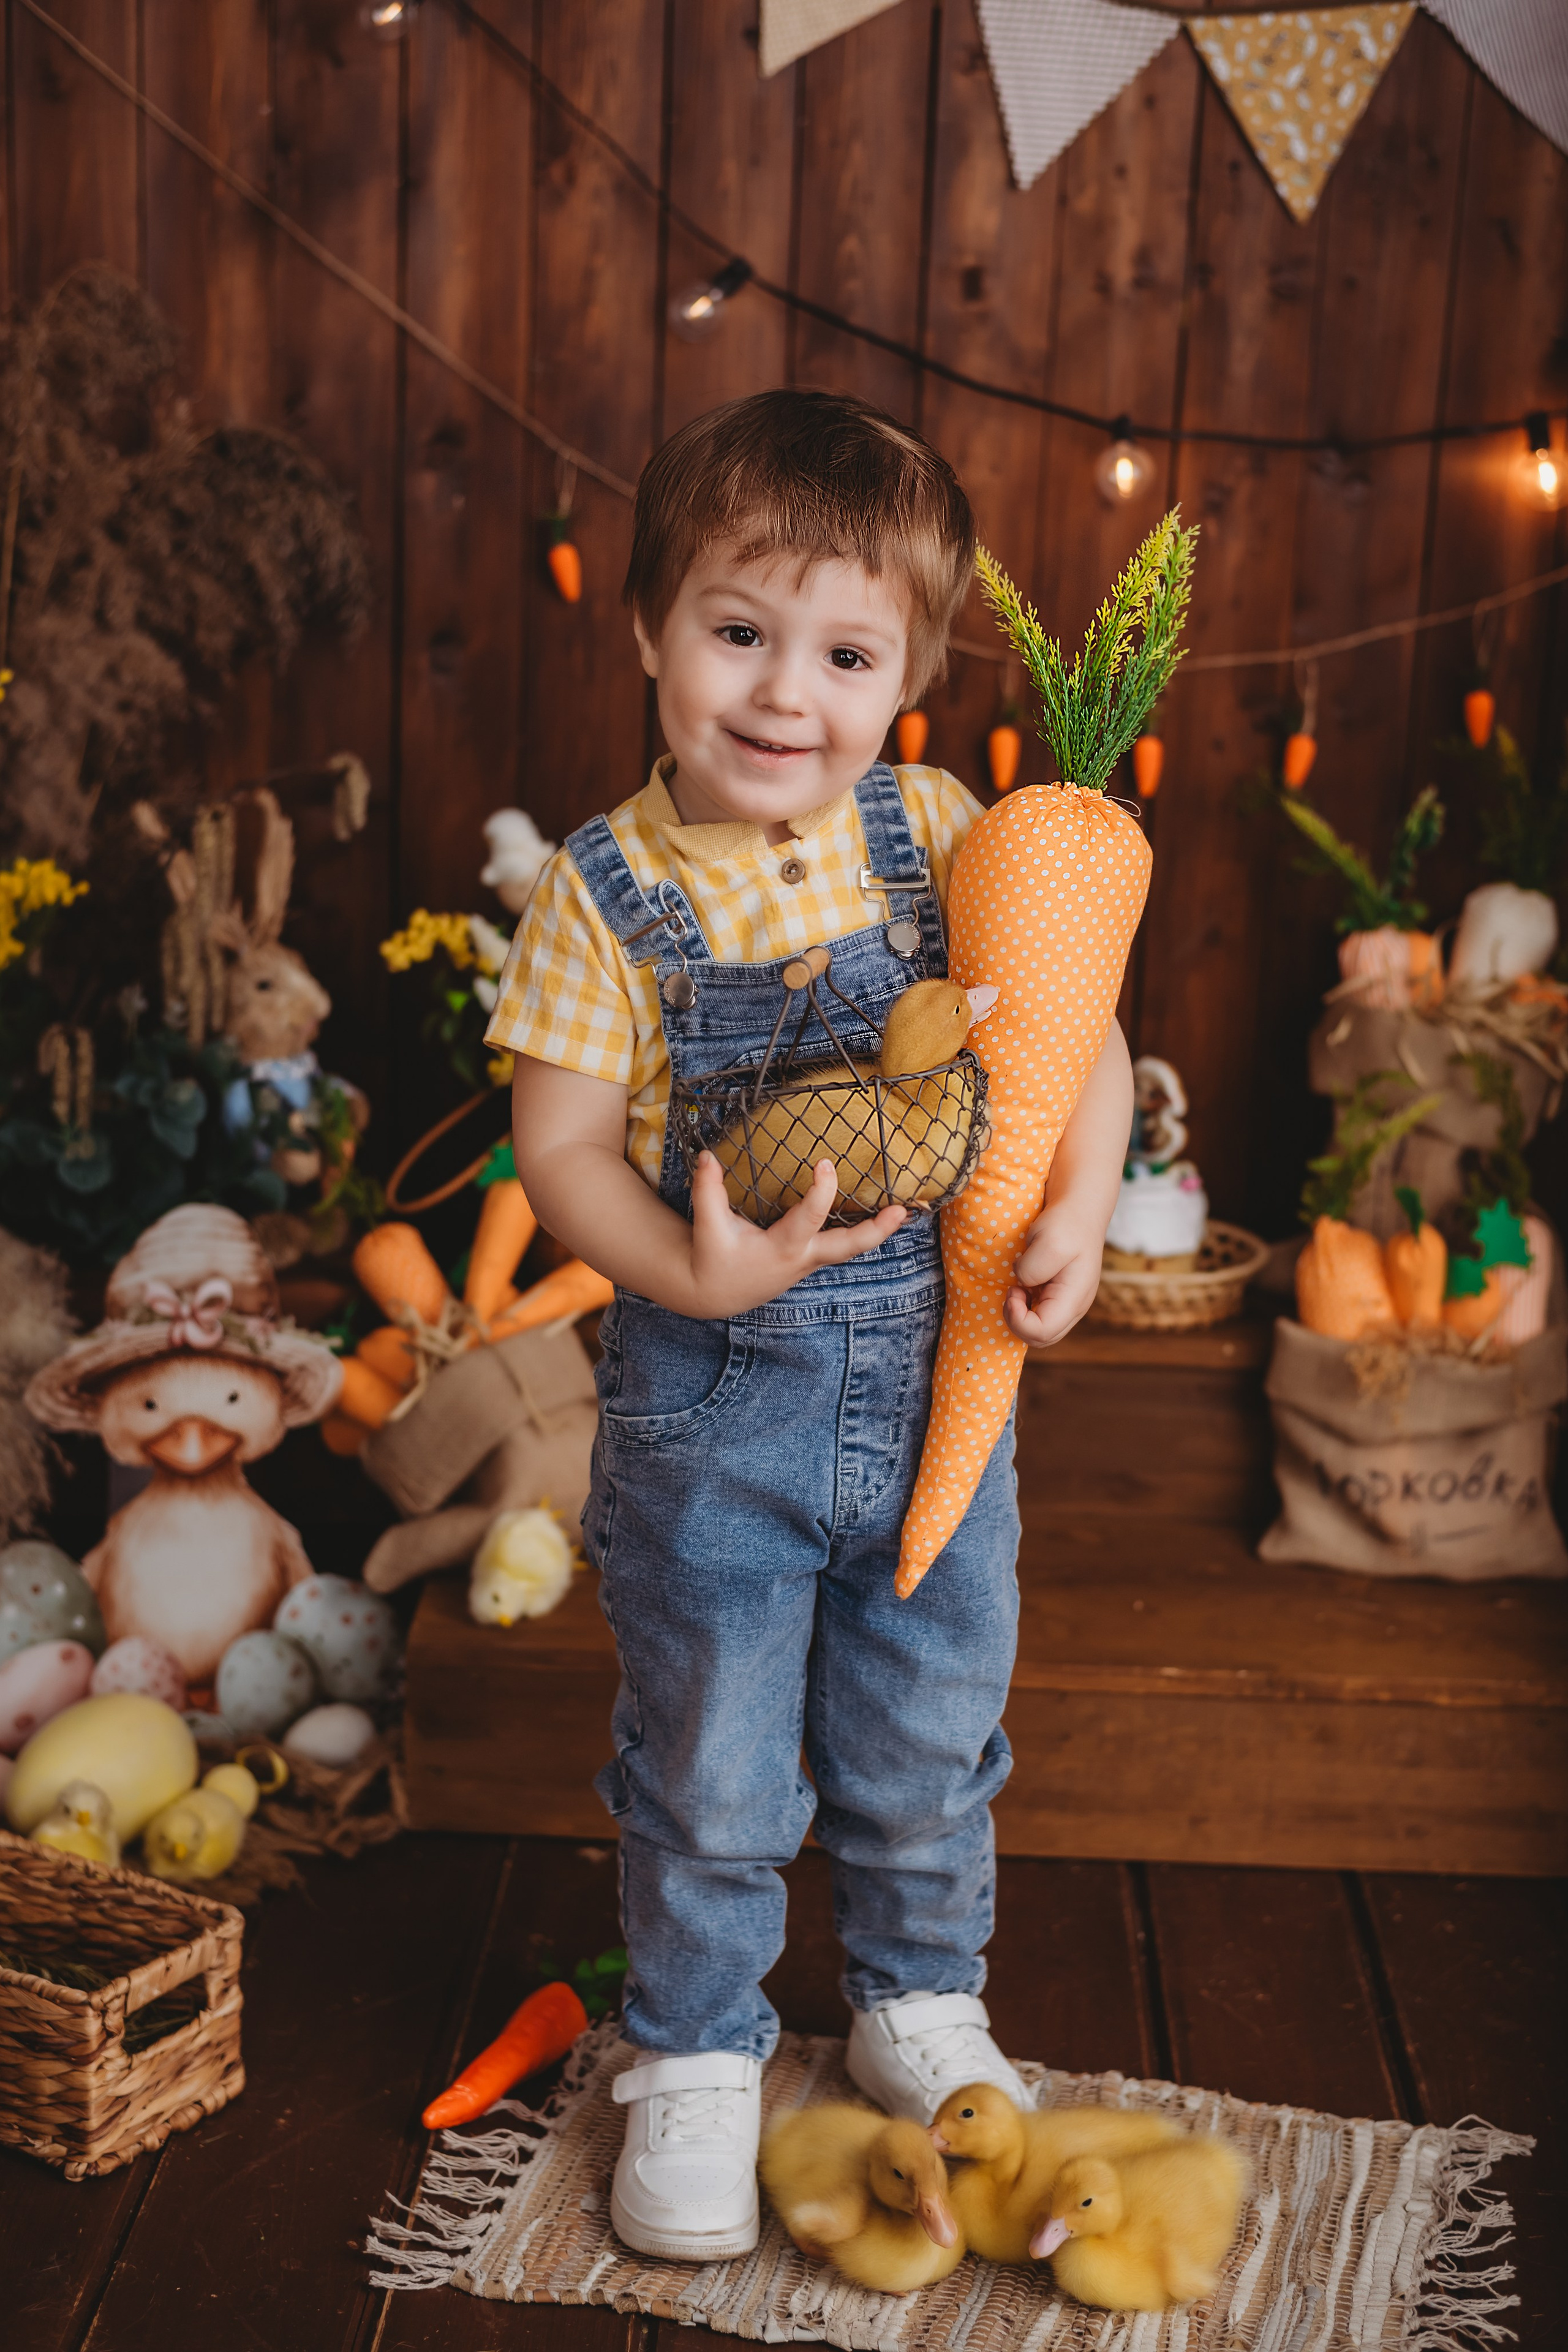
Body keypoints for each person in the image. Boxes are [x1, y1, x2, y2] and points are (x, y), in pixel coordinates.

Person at [485, 389, 1134, 2264]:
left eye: (844, 651)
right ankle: (693, 2048)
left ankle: (918, 1999)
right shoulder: (603, 898)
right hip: (716, 1413)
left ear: (910, 676)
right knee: (710, 1755)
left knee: (932, 1723)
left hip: (941, 1382)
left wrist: (1079, 1207)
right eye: (738, 630)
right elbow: (562, 1151)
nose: (786, 693)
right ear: (650, 630)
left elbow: (1067, 1038)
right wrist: (690, 1273)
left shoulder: (935, 831)